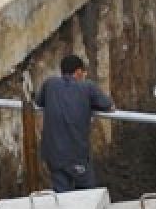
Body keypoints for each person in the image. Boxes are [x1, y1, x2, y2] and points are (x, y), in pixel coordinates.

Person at [34, 54, 115, 193]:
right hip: (76, 154)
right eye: (83, 73)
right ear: (78, 72)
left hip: (53, 154)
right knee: (87, 196)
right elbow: (108, 105)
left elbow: (38, 102)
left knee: (62, 196)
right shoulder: (87, 87)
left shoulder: (50, 84)